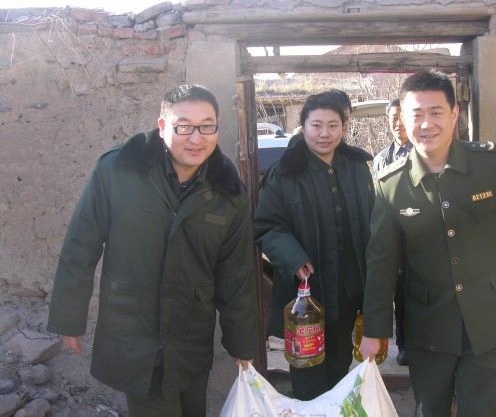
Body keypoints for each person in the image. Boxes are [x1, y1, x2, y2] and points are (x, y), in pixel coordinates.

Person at [46, 84, 258, 417]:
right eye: (184, 126)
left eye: (207, 127)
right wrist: (69, 317)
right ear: (162, 126)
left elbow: (236, 274)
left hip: (191, 335)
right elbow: (81, 245)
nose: (196, 138)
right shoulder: (118, 171)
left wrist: (241, 342)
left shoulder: (227, 193)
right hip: (135, 331)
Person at [359, 70, 496, 417]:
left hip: (492, 317)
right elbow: (381, 261)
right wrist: (375, 330)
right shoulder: (390, 184)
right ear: (403, 119)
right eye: (416, 114)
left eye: (436, 112)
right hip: (428, 326)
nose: (426, 124)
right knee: (429, 410)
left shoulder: (492, 164)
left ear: (454, 114)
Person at [254, 91, 374, 400]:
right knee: (307, 368)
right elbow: (267, 225)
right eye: (316, 125)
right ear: (303, 126)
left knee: (339, 361)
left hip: (347, 288)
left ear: (344, 126)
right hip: (305, 294)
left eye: (333, 125)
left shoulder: (357, 166)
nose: (324, 134)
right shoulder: (285, 171)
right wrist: (293, 258)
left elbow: (373, 221)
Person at [371, 98, 413, 366]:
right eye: (392, 118)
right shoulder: (380, 159)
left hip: (418, 237)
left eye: (402, 116)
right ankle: (403, 346)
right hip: (391, 239)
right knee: (397, 295)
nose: (398, 123)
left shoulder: (422, 153)